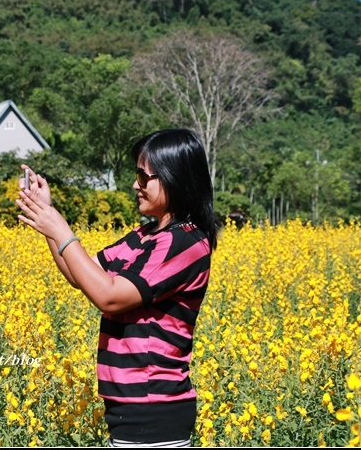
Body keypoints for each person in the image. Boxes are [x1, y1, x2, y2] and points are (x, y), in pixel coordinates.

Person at [16, 129, 218, 448]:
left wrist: (60, 229)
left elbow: (108, 297)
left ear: (174, 177)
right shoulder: (145, 236)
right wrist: (48, 219)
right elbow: (79, 273)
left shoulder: (185, 243)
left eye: (143, 175)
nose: (135, 185)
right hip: (128, 412)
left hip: (155, 412)